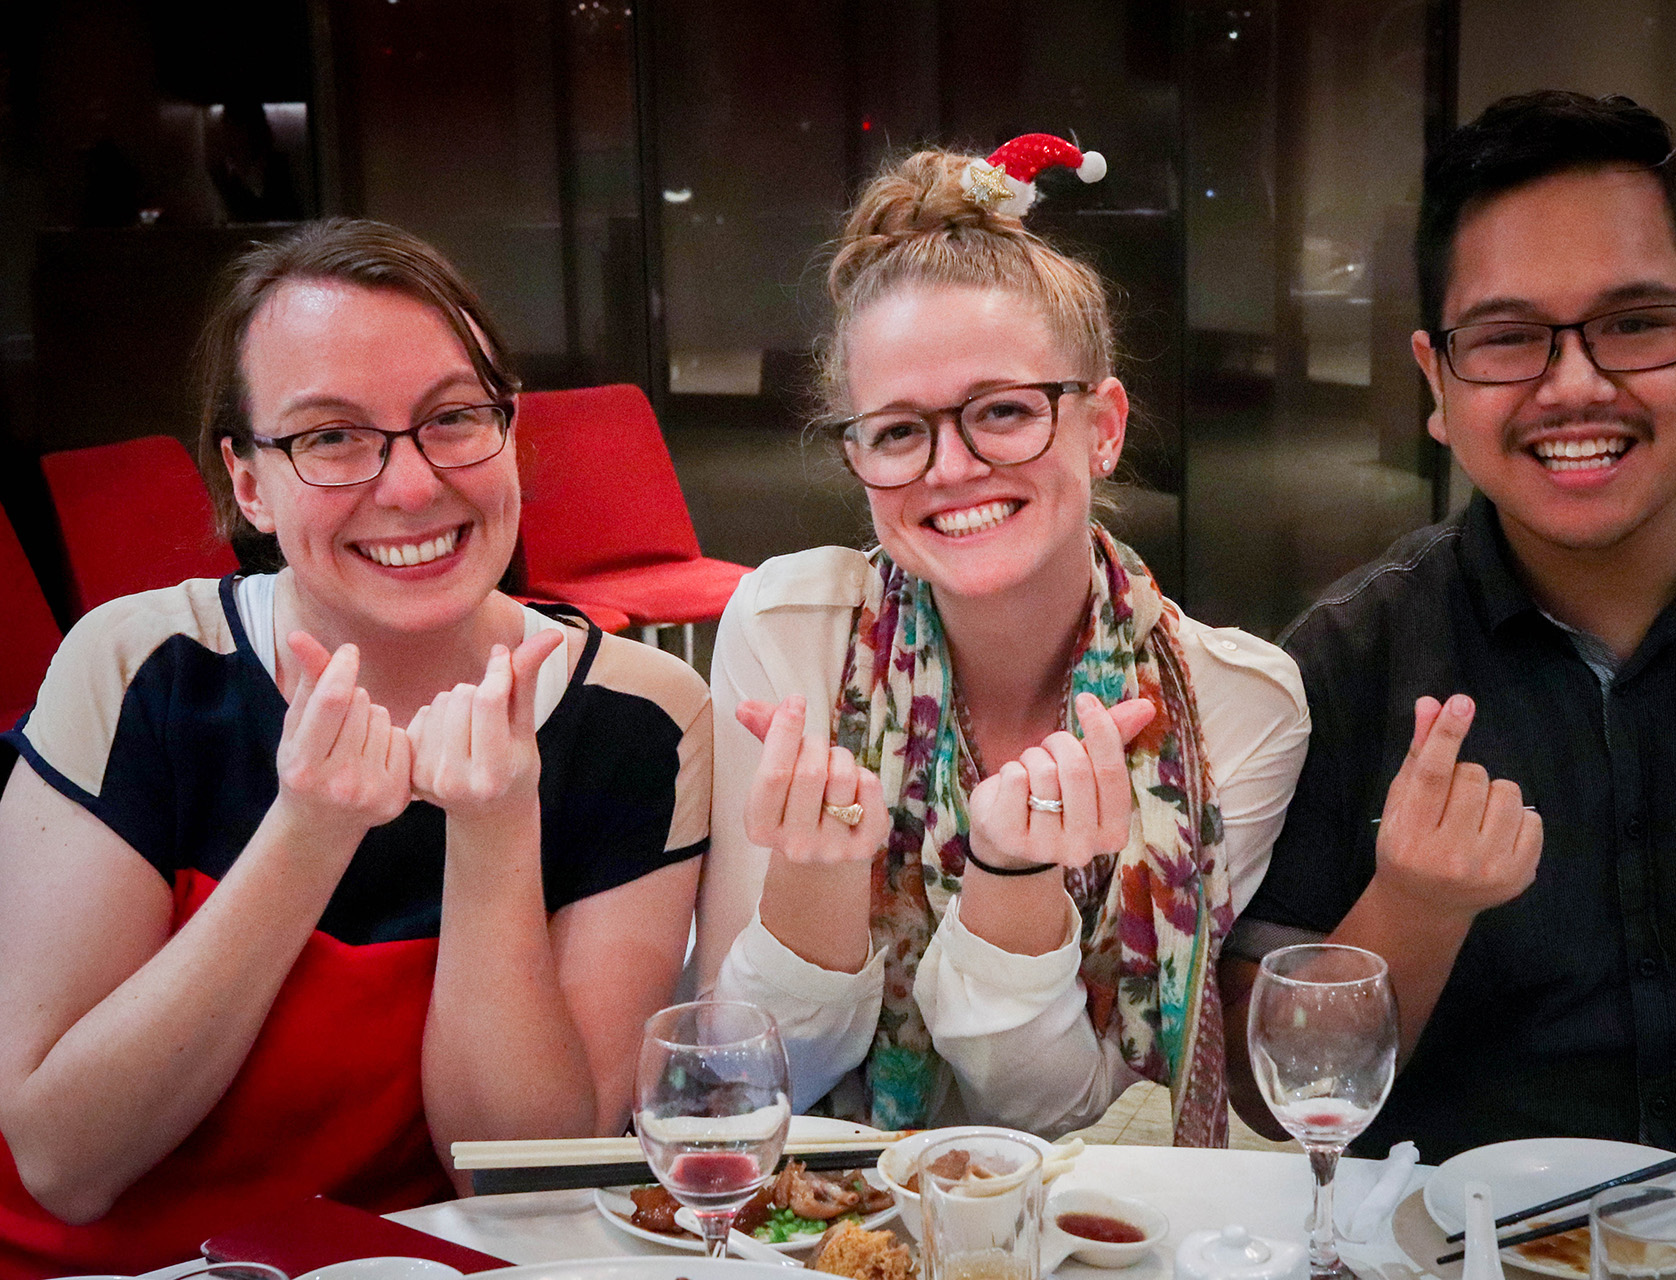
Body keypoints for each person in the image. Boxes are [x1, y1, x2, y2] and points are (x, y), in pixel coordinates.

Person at [1224, 91, 1676, 1238]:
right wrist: (1415, 905)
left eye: (1636, 322)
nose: (1577, 385)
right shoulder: (1348, 658)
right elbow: (1265, 1088)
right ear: (1436, 384)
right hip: (1460, 1257)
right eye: (1508, 338)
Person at [0, 218, 712, 1277]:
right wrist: (307, 831)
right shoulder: (140, 668)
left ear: (510, 433)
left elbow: (520, 1177)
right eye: (330, 436)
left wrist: (494, 827)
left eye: (453, 418)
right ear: (248, 481)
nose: (414, 485)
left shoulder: (642, 717)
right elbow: (64, 1158)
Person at [689, 136, 1320, 1144]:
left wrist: (1011, 884)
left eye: (1005, 411)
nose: (952, 466)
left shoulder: (1240, 703)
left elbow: (1079, 1124)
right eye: (898, 430)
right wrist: (814, 880)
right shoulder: (788, 634)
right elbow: (738, 1085)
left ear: (1102, 425)